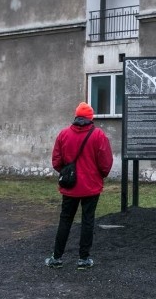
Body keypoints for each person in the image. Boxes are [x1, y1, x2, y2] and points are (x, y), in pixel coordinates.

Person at [45, 102, 113, 270]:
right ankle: (83, 259)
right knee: (87, 221)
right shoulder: (98, 135)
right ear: (91, 118)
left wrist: (67, 173)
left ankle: (57, 257)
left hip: (70, 186)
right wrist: (100, 175)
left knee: (65, 219)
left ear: (76, 116)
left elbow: (56, 161)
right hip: (91, 186)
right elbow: (106, 162)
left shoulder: (63, 134)